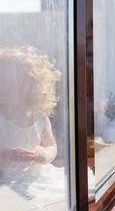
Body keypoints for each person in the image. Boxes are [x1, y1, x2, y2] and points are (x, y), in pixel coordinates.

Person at [0, 46, 65, 208]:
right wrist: (6, 155)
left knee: (63, 197)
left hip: (38, 176)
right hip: (9, 180)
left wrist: (46, 154)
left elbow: (51, 146)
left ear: (26, 84)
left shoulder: (39, 115)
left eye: (2, 78)